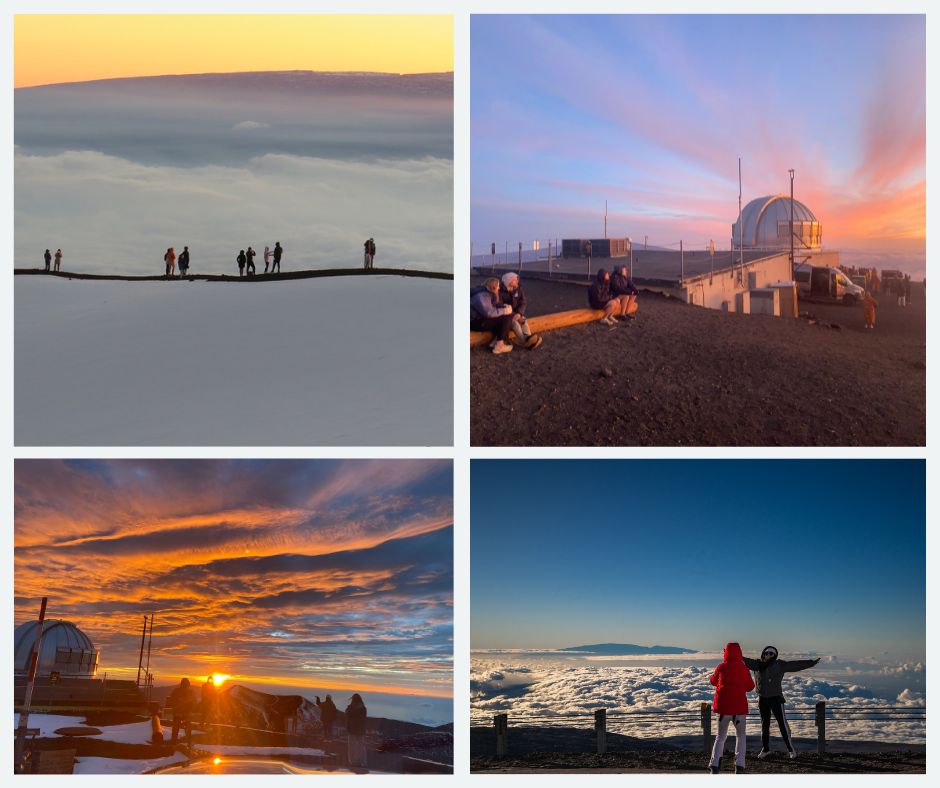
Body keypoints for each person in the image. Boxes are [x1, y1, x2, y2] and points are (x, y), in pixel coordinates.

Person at [743, 646, 820, 759]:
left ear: (775, 655)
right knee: (765, 725)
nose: (768, 654)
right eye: (766, 652)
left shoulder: (779, 665)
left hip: (776, 699)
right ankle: (765, 749)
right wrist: (730, 652)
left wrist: (811, 663)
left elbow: (796, 665)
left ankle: (791, 750)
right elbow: (742, 659)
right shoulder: (756, 664)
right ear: (763, 653)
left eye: (771, 653)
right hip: (762, 699)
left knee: (783, 725)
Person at [708, 642, 755, 774]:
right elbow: (750, 687)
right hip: (739, 710)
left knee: (720, 737)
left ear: (726, 653)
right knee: (740, 736)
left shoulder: (721, 667)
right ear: (739, 653)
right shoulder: (743, 668)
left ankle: (714, 764)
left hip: (723, 710)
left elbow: (712, 681)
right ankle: (739, 766)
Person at [471, 277, 515, 355]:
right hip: (475, 322)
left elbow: (493, 306)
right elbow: (488, 312)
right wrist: (504, 311)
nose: (499, 288)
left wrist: (504, 306)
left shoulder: (487, 292)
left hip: (480, 319)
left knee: (507, 315)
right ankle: (499, 346)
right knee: (507, 317)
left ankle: (495, 342)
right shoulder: (481, 296)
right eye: (498, 286)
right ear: (493, 287)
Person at [499, 272, 542, 349]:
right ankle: (526, 341)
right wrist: (512, 315)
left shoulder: (518, 289)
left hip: (516, 313)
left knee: (523, 320)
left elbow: (523, 302)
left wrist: (519, 313)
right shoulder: (500, 292)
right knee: (514, 323)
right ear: (509, 281)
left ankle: (529, 340)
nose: (517, 281)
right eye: (515, 280)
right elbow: (501, 307)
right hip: (506, 316)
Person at [168, 677, 197, 747]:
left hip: (181, 713)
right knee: (186, 729)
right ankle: (188, 744)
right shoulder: (190, 692)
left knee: (176, 729)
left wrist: (177, 710)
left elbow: (171, 701)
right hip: (183, 713)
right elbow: (194, 703)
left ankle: (174, 743)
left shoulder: (176, 691)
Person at [345, 693, 368, 768]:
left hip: (352, 730)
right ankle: (363, 762)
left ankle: (353, 761)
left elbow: (347, 717)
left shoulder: (350, 708)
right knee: (361, 747)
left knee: (352, 746)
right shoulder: (363, 708)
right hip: (361, 730)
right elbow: (363, 720)